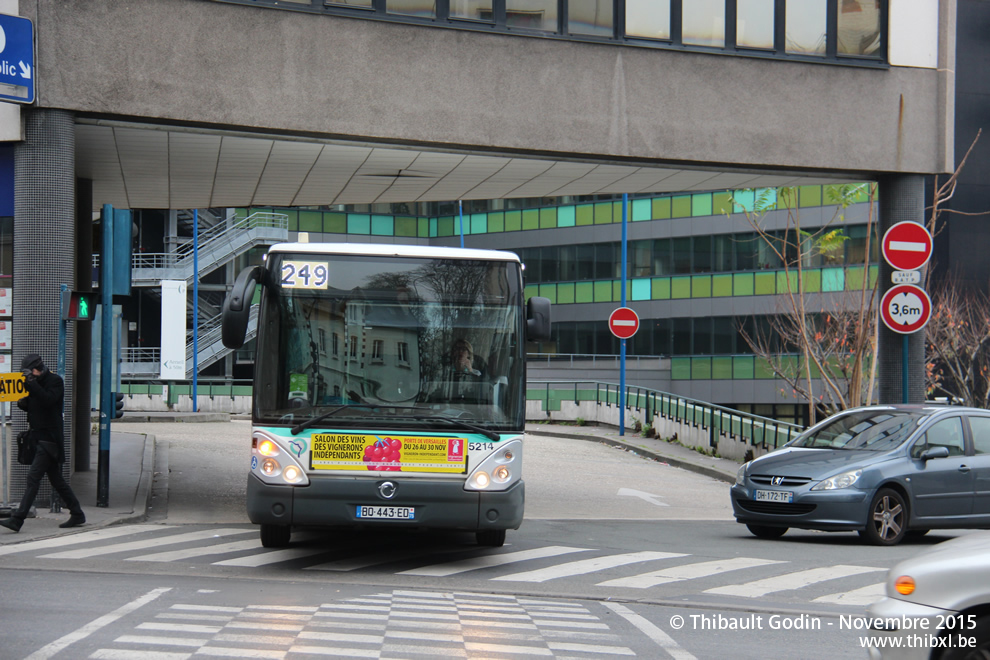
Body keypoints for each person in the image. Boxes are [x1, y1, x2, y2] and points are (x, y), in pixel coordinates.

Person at [0, 354, 85, 532]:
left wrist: (32, 384)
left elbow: (49, 400)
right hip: (38, 437)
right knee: (57, 480)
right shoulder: (33, 383)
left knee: (33, 478)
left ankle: (18, 519)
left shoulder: (55, 381)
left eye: (30, 372)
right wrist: (24, 403)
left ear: (38, 369)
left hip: (50, 439)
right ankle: (77, 513)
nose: (30, 375)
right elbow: (36, 405)